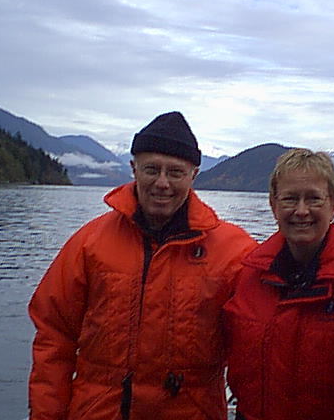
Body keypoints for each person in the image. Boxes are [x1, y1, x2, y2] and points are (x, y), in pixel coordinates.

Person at [28, 111, 258, 420]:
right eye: (152, 169)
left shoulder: (235, 252)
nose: (162, 183)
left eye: (175, 172)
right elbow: (54, 338)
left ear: (193, 175)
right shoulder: (89, 243)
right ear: (134, 168)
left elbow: (259, 341)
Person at [224, 148, 334, 420]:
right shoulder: (246, 277)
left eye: (313, 199)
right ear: (273, 205)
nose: (301, 211)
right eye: (290, 199)